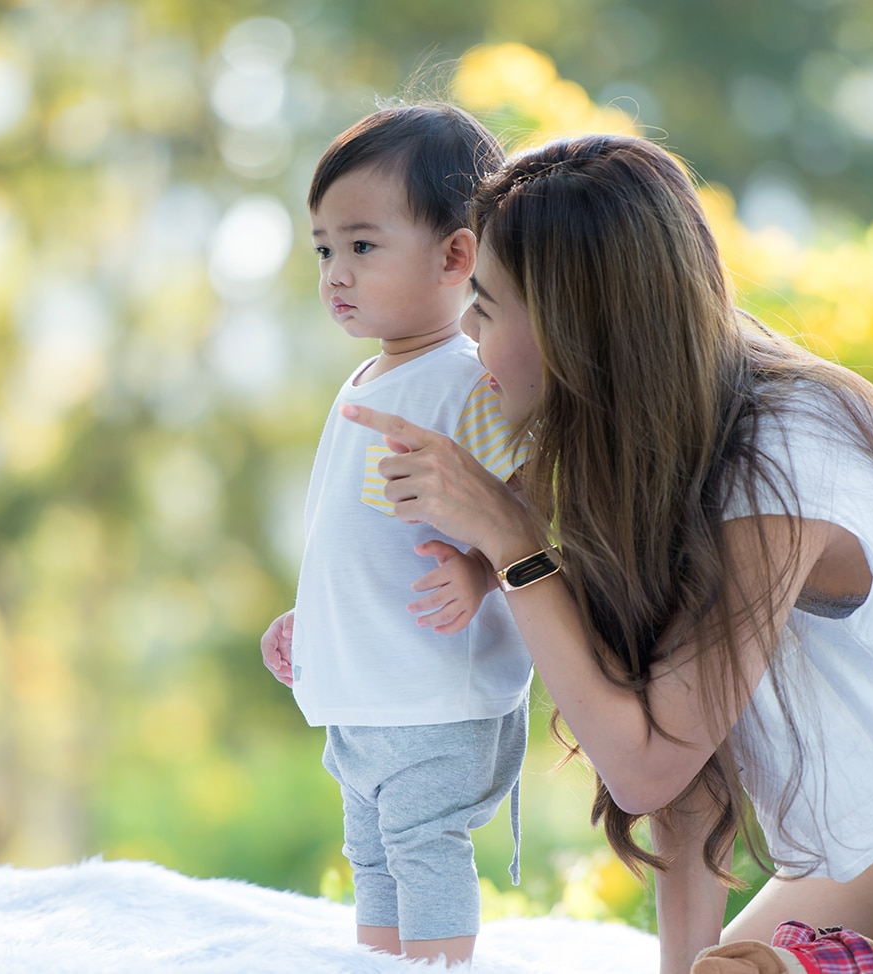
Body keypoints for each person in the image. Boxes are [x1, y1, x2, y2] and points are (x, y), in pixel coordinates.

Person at [340, 132, 873, 974]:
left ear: (570, 329)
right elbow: (686, 778)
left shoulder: (779, 463)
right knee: (746, 968)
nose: (472, 346)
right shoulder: (647, 451)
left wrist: (515, 543)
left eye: (484, 308)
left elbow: (644, 765)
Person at [259, 103, 532, 967]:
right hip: (371, 687)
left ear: (457, 255)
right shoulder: (368, 376)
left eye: (363, 246)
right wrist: (314, 619)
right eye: (324, 249)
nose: (336, 272)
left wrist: (483, 576)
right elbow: (351, 538)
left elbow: (530, 503)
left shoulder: (463, 379)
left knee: (422, 843)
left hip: (435, 692)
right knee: (372, 850)